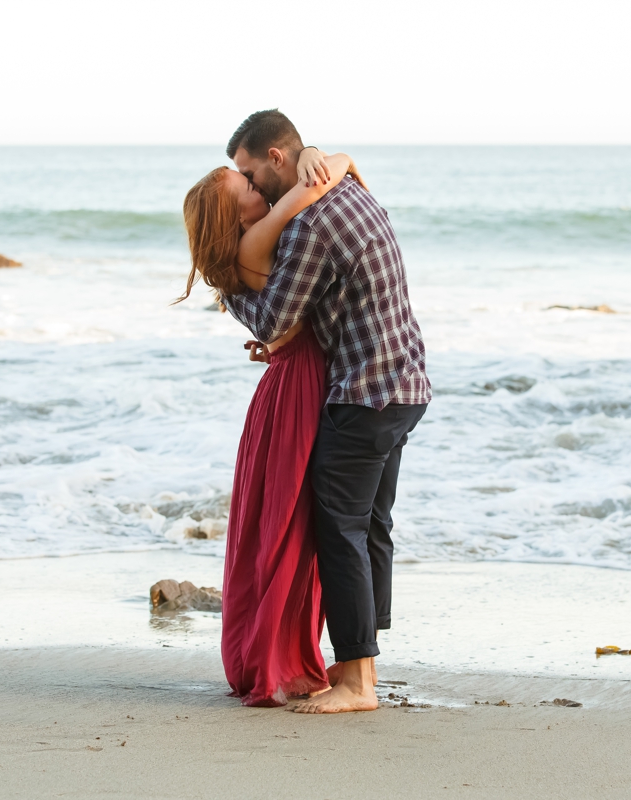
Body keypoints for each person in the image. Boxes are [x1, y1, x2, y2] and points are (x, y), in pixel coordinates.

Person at [221, 110, 431, 714]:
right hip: (406, 383)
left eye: (250, 173)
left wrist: (228, 282)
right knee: (368, 526)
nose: (253, 186)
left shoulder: (310, 224)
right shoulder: (345, 188)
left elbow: (272, 320)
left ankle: (358, 682)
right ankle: (360, 659)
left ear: (277, 158)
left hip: (363, 392)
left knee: (338, 528)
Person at [181, 145, 365, 707]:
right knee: (293, 524)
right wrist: (336, 157)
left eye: (251, 179)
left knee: (281, 522)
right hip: (300, 388)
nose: (257, 188)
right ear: (237, 217)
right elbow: (310, 192)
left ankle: (281, 651)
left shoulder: (239, 251)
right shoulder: (257, 240)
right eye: (246, 189)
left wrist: (320, 154)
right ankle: (283, 658)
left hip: (286, 384)